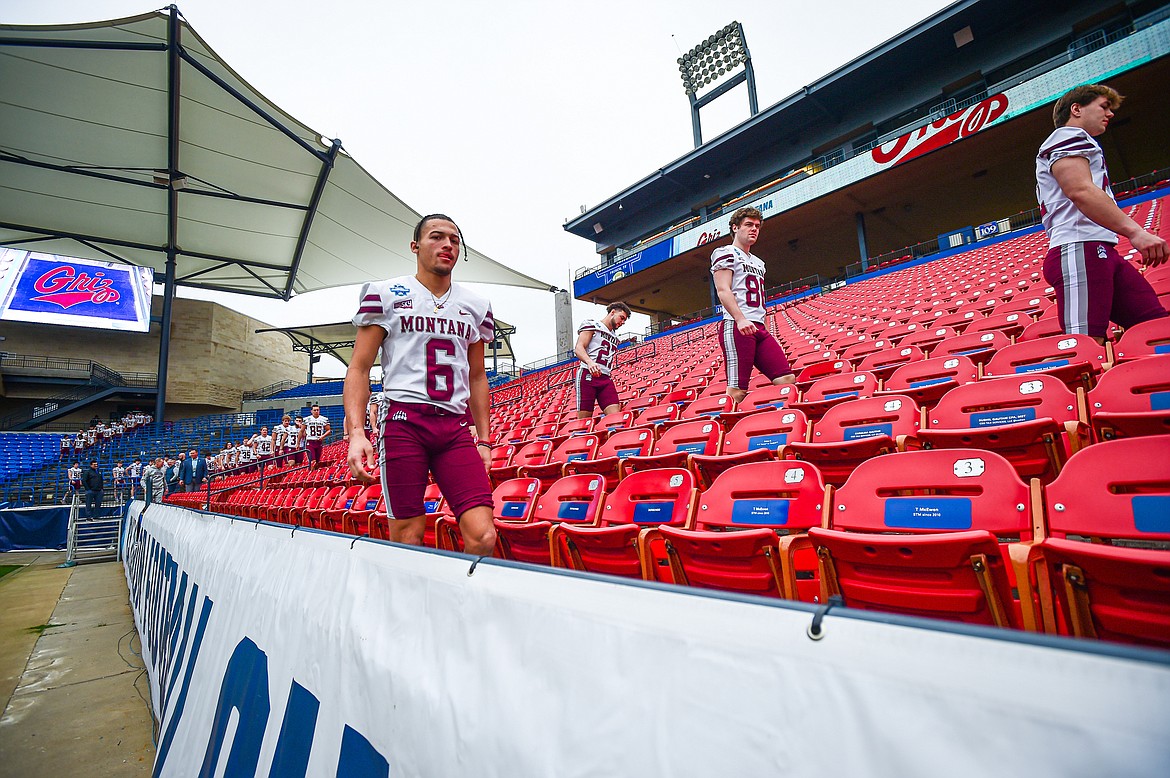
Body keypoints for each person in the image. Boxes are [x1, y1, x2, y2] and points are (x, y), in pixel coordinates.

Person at [344, 213, 496, 555]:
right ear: (415, 246)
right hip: (403, 422)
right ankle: (410, 608)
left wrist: (484, 440)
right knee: (409, 538)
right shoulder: (386, 294)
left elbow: (477, 376)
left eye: (454, 240)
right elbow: (359, 367)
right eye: (437, 237)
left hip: (454, 427)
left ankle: (465, 605)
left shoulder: (475, 305)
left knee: (483, 535)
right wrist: (356, 433)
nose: (447, 245)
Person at [1037, 84, 1168, 344]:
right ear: (1076, 109)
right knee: (1085, 347)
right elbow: (1080, 190)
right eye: (1103, 106)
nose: (1110, 114)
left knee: (1156, 329)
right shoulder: (1068, 135)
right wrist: (1135, 231)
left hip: (1100, 248)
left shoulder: (1078, 140)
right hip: (1079, 247)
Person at [711, 206, 796, 403]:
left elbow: (759, 297)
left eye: (757, 226)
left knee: (786, 379)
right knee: (737, 391)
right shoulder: (725, 252)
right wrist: (740, 319)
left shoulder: (758, 262)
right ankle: (727, 431)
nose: (754, 229)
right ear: (735, 228)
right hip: (737, 325)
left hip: (758, 326)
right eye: (748, 225)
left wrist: (764, 325)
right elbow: (723, 290)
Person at [573, 302, 631, 419]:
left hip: (605, 378)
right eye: (622, 318)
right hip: (588, 375)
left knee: (616, 418)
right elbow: (579, 348)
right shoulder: (592, 325)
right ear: (613, 312)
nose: (623, 322)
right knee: (584, 421)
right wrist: (589, 362)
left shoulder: (615, 337)